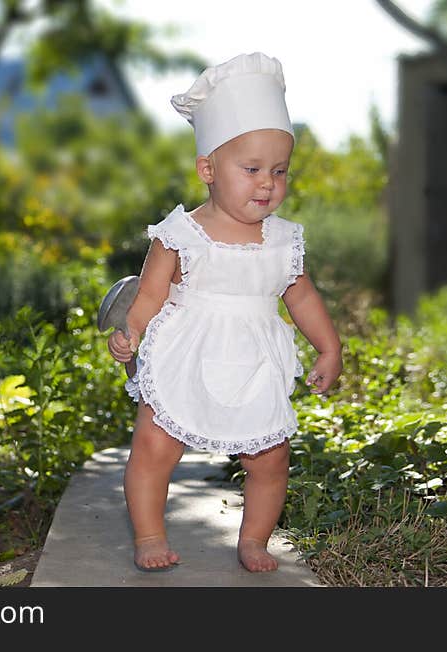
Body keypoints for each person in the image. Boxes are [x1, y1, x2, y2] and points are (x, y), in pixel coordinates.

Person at [107, 52, 342, 573]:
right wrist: (131, 332)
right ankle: (148, 534)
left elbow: (300, 297)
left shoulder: (284, 240)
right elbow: (149, 294)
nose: (267, 184)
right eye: (252, 169)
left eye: (279, 172)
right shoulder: (181, 233)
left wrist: (329, 346)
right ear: (207, 169)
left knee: (270, 459)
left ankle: (254, 540)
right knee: (153, 448)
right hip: (186, 350)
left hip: (254, 360)